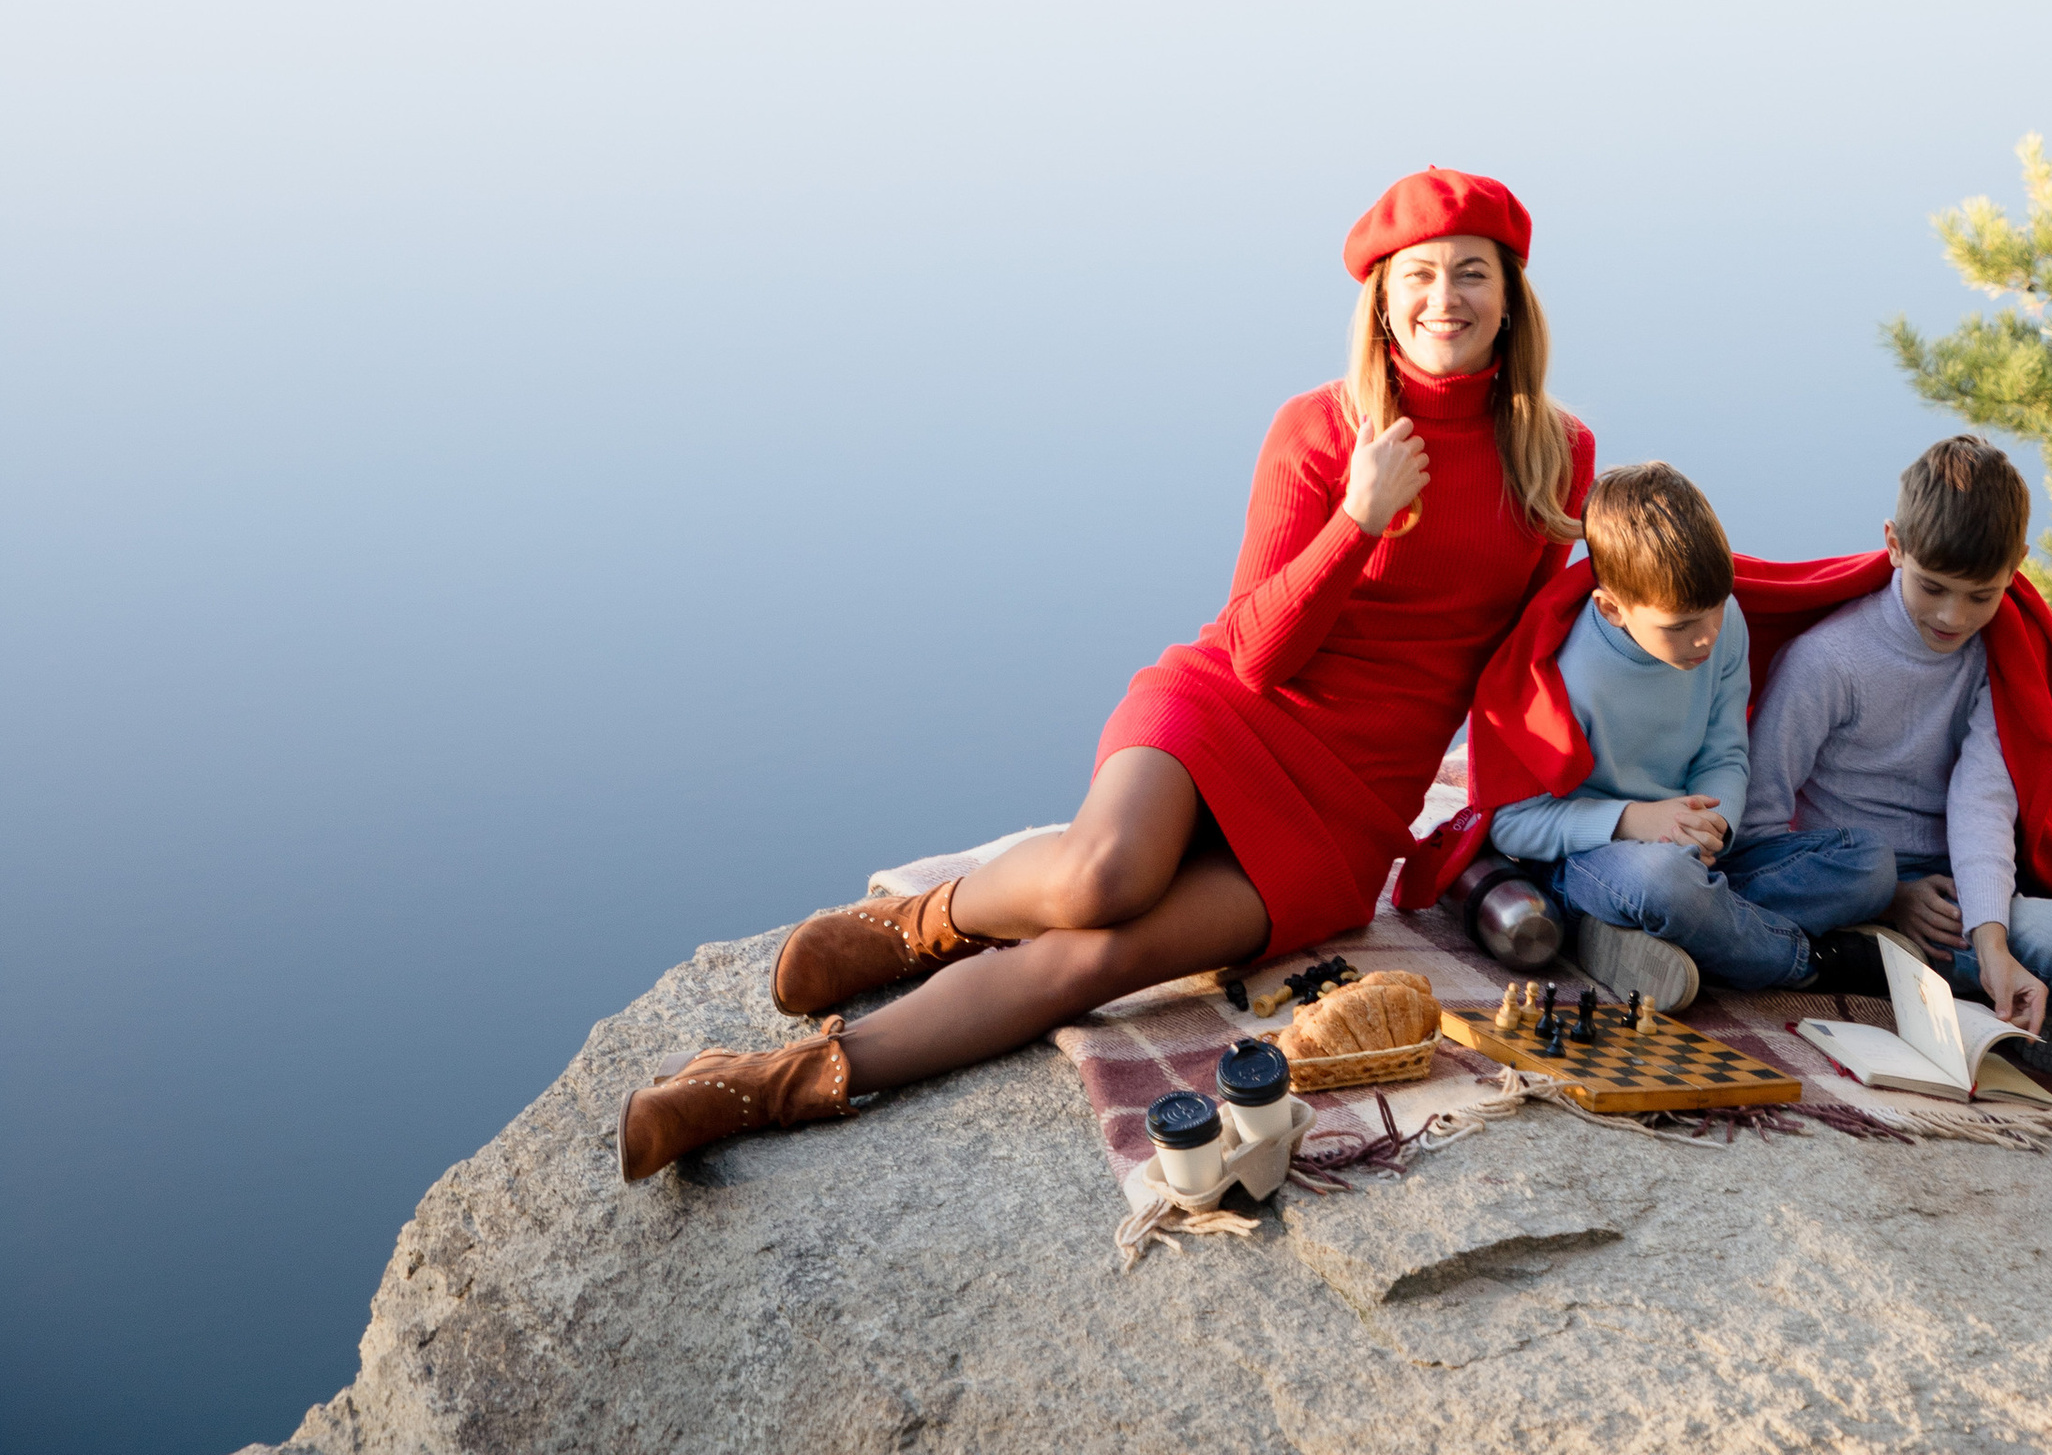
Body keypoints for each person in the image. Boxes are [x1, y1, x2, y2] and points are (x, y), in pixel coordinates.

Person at [617, 166, 1596, 1181]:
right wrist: (1358, 518)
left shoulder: (1553, 453)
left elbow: (1540, 648)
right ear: (1383, 298)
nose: (1447, 300)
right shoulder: (1320, 429)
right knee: (1103, 877)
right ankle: (925, 921)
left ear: (1510, 295)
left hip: (1348, 806)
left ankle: (762, 1085)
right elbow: (1259, 651)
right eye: (1421, 275)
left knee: (1101, 958)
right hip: (1227, 710)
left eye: (1471, 273)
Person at [1734, 435, 2052, 1071]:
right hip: (1858, 888)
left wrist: (1993, 942)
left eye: (1981, 596)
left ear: (2016, 569)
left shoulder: (1997, 653)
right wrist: (1889, 902)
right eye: (1933, 588)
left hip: (1968, 883)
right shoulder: (1828, 661)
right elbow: (1762, 826)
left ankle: (2015, 995)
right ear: (1895, 545)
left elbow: (1983, 798)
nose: (1953, 617)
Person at [1477, 461, 1897, 1008]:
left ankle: (1690, 932)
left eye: (1714, 611)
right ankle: (1806, 963)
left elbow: (1725, 751)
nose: (1705, 639)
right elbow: (1514, 825)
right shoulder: (1566, 675)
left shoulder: (1727, 626)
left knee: (1869, 863)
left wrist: (1715, 825)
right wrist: (1635, 821)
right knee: (1662, 882)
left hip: (1692, 853)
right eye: (1679, 627)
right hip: (1595, 859)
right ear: (1613, 608)